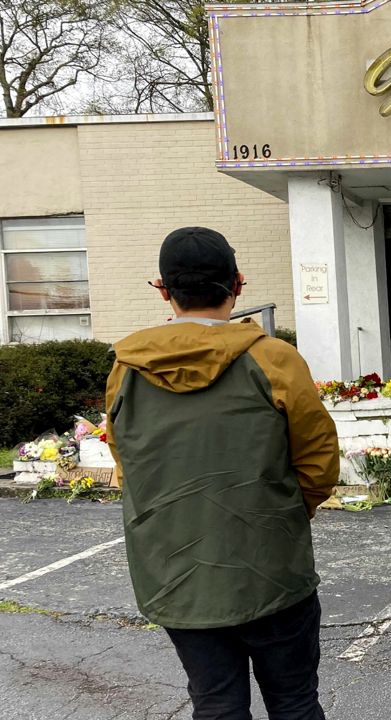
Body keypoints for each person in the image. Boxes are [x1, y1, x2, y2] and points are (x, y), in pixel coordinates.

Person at [104, 227, 339, 720]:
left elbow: (128, 466)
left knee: (215, 704)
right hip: (271, 567)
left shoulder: (126, 369)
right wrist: (285, 513)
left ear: (163, 290)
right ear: (238, 284)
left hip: (175, 574)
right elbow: (319, 459)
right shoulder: (273, 358)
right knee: (295, 702)